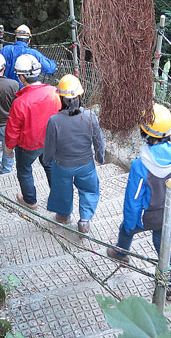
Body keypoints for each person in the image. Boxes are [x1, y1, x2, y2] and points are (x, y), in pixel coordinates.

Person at [107, 103, 171, 299]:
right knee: (164, 246)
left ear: (144, 133)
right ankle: (168, 285)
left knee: (126, 229)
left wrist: (130, 223)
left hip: (146, 216)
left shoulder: (140, 165)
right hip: (170, 213)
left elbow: (133, 200)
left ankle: (121, 253)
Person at [43, 75, 105, 233]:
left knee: (61, 190)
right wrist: (100, 158)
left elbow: (49, 147)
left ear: (61, 97)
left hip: (62, 165)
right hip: (86, 165)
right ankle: (84, 220)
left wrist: (47, 159)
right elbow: (98, 142)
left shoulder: (54, 120)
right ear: (81, 95)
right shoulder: (90, 116)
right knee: (89, 190)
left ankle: (63, 216)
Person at [4, 54, 62, 210]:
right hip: (51, 141)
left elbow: (13, 129)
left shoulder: (20, 102)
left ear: (21, 77)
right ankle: (58, 198)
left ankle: (30, 200)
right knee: (50, 167)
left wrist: (9, 147)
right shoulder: (54, 92)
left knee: (24, 170)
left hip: (28, 144)